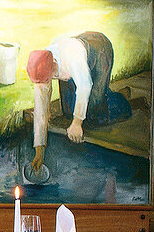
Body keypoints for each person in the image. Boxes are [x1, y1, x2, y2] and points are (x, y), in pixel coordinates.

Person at [26, 32, 133, 172]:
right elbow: (40, 107)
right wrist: (39, 150)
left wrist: (77, 123)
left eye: (47, 79)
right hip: (73, 68)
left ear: (53, 65)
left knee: (94, 113)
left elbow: (84, 86)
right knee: (68, 112)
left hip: (99, 52)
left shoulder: (72, 57)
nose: (46, 83)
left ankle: (121, 99)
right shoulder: (40, 66)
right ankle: (106, 94)